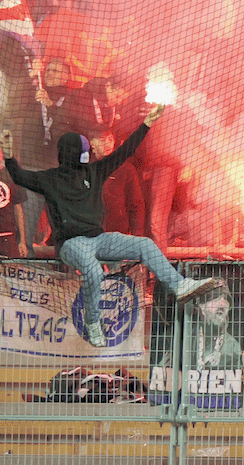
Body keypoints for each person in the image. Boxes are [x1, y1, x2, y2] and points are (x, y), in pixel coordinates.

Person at [1, 106, 220, 347]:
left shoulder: (95, 171)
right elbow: (20, 177)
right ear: (73, 153)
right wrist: (9, 155)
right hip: (71, 245)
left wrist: (146, 123)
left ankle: (180, 286)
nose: (87, 154)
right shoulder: (50, 178)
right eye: (83, 150)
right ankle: (93, 323)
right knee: (94, 271)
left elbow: (125, 151)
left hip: (99, 239)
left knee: (144, 244)